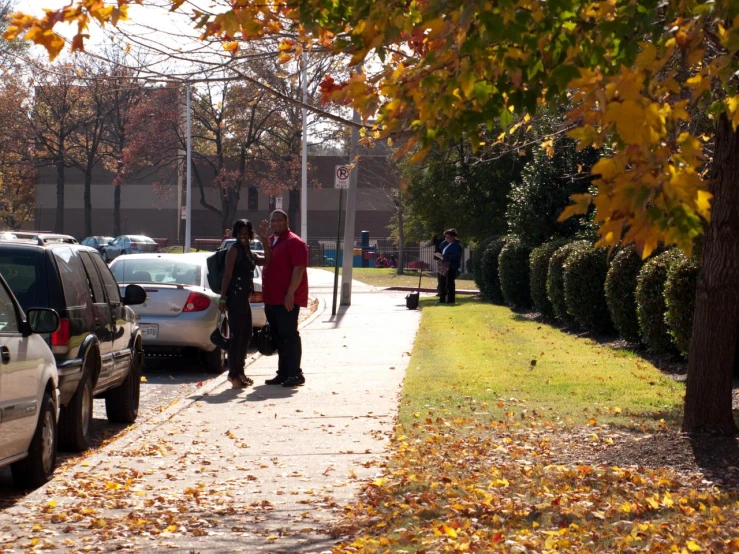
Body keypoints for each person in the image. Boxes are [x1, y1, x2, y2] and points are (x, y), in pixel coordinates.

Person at [219, 219, 272, 388]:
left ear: (250, 235)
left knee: (246, 334)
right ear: (236, 234)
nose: (243, 236)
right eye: (240, 233)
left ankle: (240, 371)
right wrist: (223, 298)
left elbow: (268, 260)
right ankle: (233, 374)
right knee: (236, 336)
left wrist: (264, 238)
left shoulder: (248, 250)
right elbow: (227, 275)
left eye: (246, 233)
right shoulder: (234, 250)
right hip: (234, 297)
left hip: (244, 297)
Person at [262, 209, 309, 388]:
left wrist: (290, 292)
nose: (275, 224)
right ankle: (283, 373)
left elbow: (299, 269)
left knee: (289, 336)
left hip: (287, 299)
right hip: (272, 298)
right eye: (272, 221)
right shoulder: (272, 241)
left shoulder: (294, 242)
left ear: (286, 221)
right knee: (279, 337)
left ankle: (296, 374)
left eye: (278, 220)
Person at [437, 228, 462, 304]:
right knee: (442, 282)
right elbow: (440, 246)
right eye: (446, 237)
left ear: (453, 237)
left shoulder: (456, 246)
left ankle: (450, 300)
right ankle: (442, 299)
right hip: (444, 266)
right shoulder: (447, 244)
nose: (446, 239)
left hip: (451, 267)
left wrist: (444, 257)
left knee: (449, 283)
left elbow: (456, 257)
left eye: (448, 237)